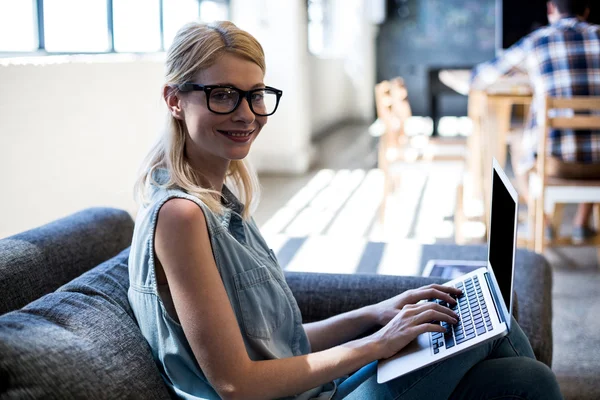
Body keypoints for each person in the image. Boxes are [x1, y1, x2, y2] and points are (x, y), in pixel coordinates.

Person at [128, 20, 562, 399]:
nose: (246, 114)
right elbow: (237, 384)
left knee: (521, 374)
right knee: (494, 333)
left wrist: (378, 314)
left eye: (255, 95)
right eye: (223, 95)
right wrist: (377, 344)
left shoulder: (222, 203)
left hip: (315, 390)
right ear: (174, 100)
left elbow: (284, 344)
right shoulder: (180, 218)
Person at [471, 0, 600, 243]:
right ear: (586, 10)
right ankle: (581, 222)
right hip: (598, 166)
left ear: (551, 9)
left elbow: (482, 77)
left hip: (555, 163)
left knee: (519, 141)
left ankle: (543, 221)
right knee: (592, 141)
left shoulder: (538, 41)